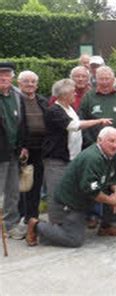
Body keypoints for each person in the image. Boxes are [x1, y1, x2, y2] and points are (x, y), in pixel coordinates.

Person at [26, 127, 116, 247]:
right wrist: (111, 200)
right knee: (74, 240)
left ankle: (106, 226)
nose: (115, 145)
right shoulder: (92, 158)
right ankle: (37, 225)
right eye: (111, 141)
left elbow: (114, 177)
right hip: (70, 203)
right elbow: (90, 191)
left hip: (85, 200)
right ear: (99, 140)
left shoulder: (112, 155)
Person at [42, 79, 112, 208]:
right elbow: (73, 126)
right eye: (73, 92)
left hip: (71, 158)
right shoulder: (54, 110)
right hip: (56, 159)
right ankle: (55, 223)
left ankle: (66, 221)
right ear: (64, 95)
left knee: (68, 191)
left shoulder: (70, 108)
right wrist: (99, 121)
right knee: (55, 191)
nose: (75, 94)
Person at [0, 62, 29, 239]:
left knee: (12, 190)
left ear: (12, 78)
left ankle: (10, 225)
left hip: (13, 152)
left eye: (7, 75)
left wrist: (23, 145)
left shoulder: (17, 96)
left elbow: (22, 124)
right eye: (0, 75)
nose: (4, 78)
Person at [17, 71, 48, 226]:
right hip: (24, 149)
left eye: (33, 82)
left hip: (40, 148)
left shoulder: (42, 100)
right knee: (23, 183)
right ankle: (22, 216)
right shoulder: (15, 100)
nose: (30, 84)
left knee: (36, 183)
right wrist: (22, 146)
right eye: (26, 81)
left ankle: (33, 216)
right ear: (19, 83)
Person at [79, 66, 116, 147]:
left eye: (107, 79)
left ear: (113, 80)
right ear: (96, 80)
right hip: (94, 144)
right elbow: (82, 119)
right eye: (101, 79)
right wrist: (89, 141)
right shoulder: (88, 96)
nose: (104, 82)